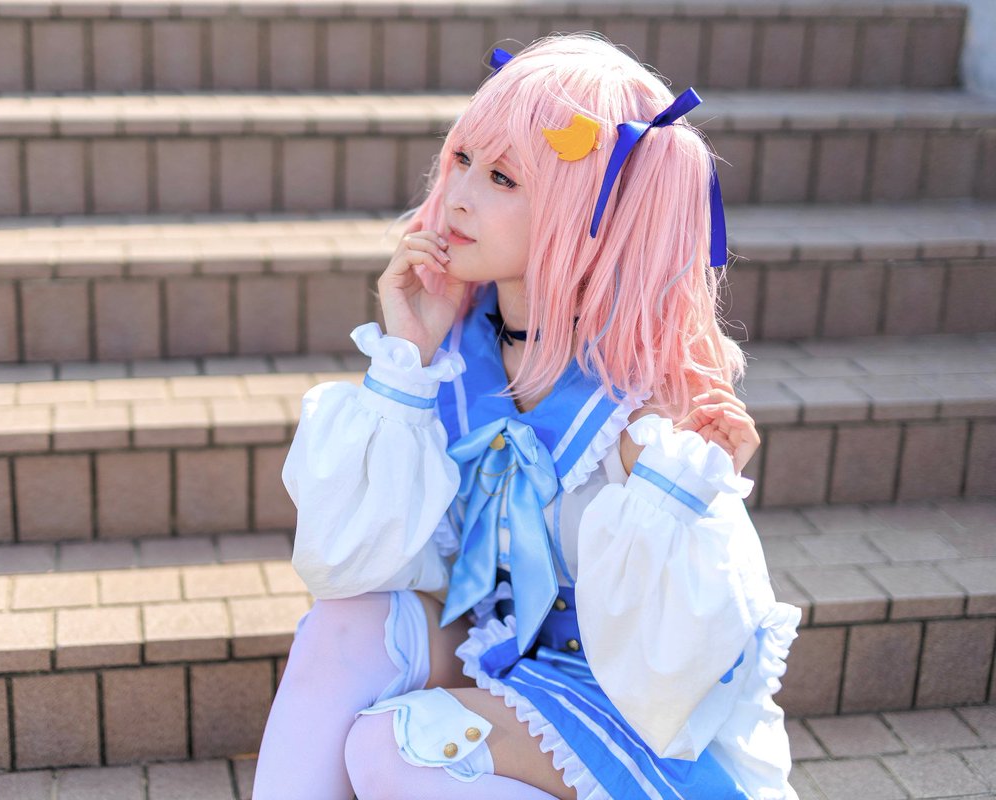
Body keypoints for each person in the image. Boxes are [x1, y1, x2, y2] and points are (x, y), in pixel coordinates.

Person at [253, 32, 801, 800]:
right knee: (343, 626)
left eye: (503, 177)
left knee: (400, 746)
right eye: (461, 159)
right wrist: (404, 363)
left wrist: (671, 486)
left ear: (596, 215)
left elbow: (678, 673)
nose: (457, 196)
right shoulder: (452, 355)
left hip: (635, 708)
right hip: (502, 652)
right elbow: (344, 563)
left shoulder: (653, 406)